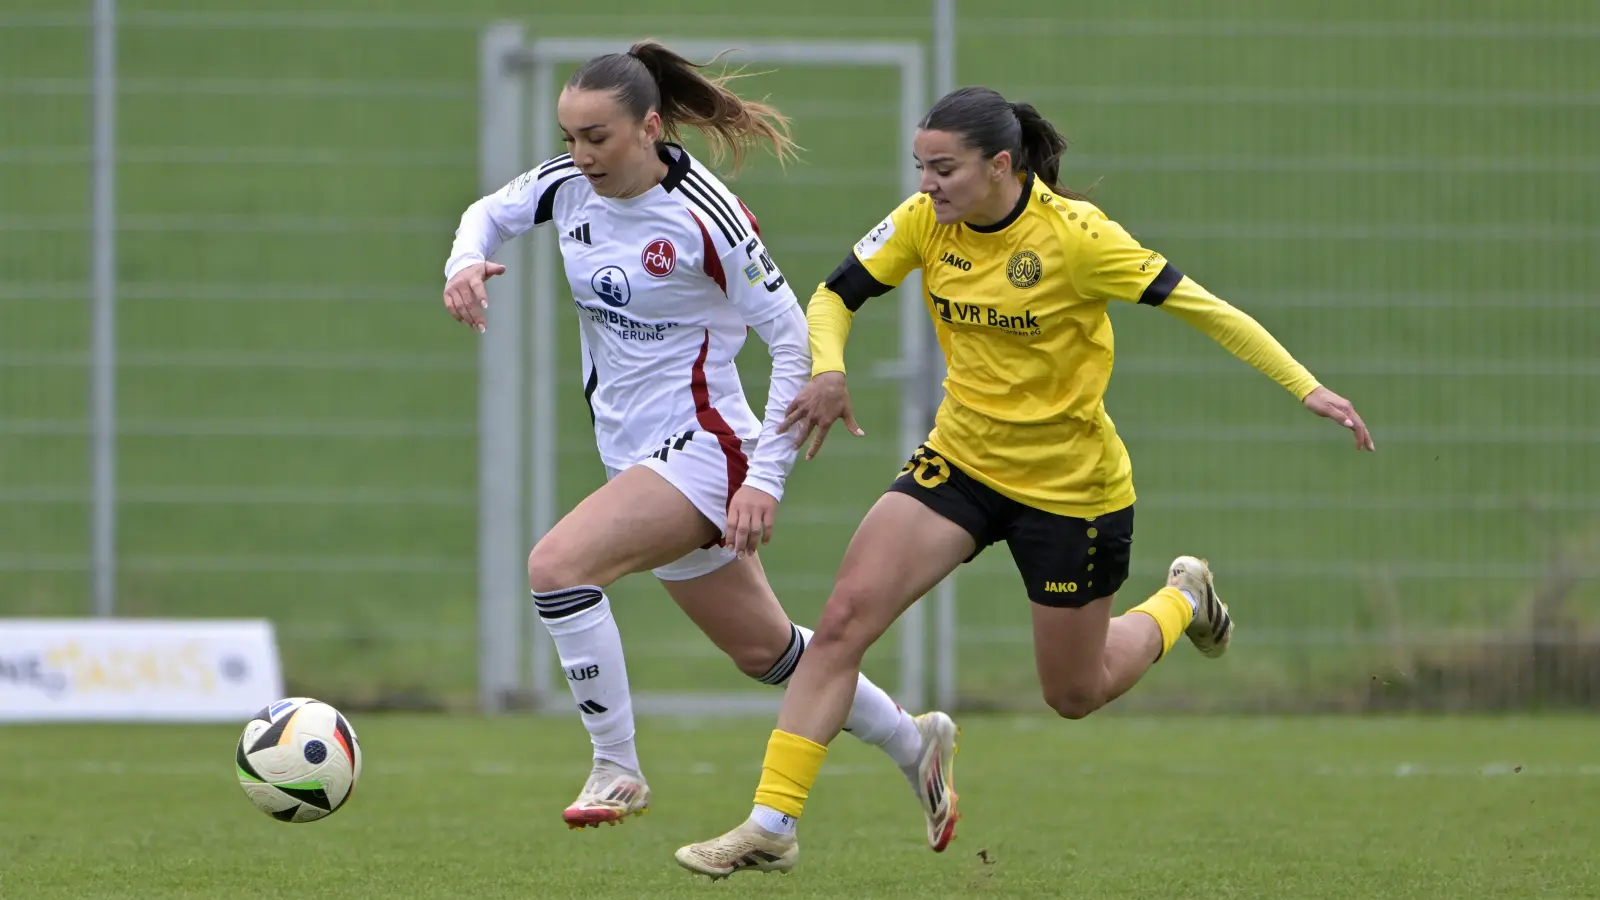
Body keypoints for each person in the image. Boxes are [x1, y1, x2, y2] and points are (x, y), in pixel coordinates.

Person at [675, 85, 1377, 878]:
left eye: (944, 169)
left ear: (1000, 165)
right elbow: (835, 293)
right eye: (920, 167)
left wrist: (1307, 386)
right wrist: (830, 369)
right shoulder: (923, 224)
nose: (927, 185)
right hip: (961, 465)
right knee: (840, 623)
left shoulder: (1077, 239)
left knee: (1075, 693)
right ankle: (773, 823)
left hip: (1072, 492)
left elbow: (1206, 309)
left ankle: (1185, 598)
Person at [440, 41, 957, 834]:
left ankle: (616, 767)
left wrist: (764, 480)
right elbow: (489, 212)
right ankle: (912, 740)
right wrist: (465, 262)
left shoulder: (704, 214)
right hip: (635, 455)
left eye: (597, 138)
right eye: (569, 136)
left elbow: (792, 343)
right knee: (771, 654)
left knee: (557, 569)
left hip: (707, 449)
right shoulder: (568, 186)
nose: (578, 156)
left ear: (648, 127)